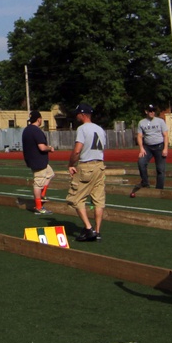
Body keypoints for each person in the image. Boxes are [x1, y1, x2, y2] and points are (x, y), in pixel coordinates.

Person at [67, 103, 107, 242]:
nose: (76, 116)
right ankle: (98, 230)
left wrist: (71, 164)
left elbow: (77, 150)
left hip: (86, 165)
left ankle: (89, 228)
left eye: (77, 114)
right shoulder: (100, 129)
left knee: (75, 198)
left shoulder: (82, 129)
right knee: (98, 200)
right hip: (100, 166)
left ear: (82, 114)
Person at [21, 111, 55, 214]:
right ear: (39, 119)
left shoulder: (26, 130)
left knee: (50, 174)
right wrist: (50, 148)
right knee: (38, 182)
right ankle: (39, 207)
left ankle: (42, 194)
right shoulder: (36, 131)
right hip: (38, 160)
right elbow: (42, 147)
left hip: (32, 158)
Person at [136, 104, 169, 189]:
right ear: (146, 112)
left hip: (159, 146)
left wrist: (165, 148)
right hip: (147, 147)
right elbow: (139, 136)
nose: (152, 113)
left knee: (160, 169)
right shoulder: (141, 122)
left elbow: (165, 135)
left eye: (153, 111)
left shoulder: (160, 121)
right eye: (150, 111)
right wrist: (141, 148)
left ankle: (159, 188)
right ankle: (145, 182)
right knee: (141, 163)